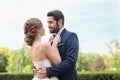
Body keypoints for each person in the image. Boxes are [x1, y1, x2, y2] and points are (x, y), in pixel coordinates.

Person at [34, 10, 79, 80]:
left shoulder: (71, 36)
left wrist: (48, 71)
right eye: (47, 22)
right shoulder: (50, 40)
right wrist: (38, 70)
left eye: (51, 22)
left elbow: (70, 62)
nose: (48, 25)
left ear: (60, 22)